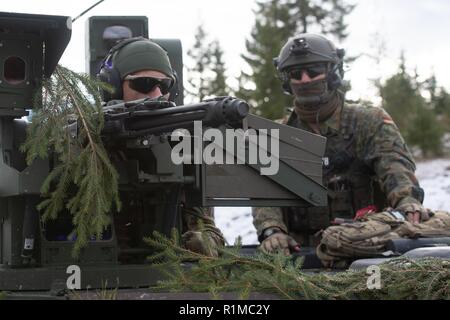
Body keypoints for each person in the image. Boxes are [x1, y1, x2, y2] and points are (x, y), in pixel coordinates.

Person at [253, 33, 442, 260]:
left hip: (368, 249)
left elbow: (394, 165)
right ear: (287, 81)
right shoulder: (275, 136)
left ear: (333, 74)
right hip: (300, 256)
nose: (304, 79)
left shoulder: (368, 121)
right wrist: (272, 231)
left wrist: (407, 201)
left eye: (313, 71)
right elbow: (264, 194)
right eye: (295, 74)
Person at [98, 37, 225, 257]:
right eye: (144, 84)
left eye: (165, 85)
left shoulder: (181, 144)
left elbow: (207, 229)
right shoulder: (87, 136)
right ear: (114, 87)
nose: (157, 94)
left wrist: (202, 242)